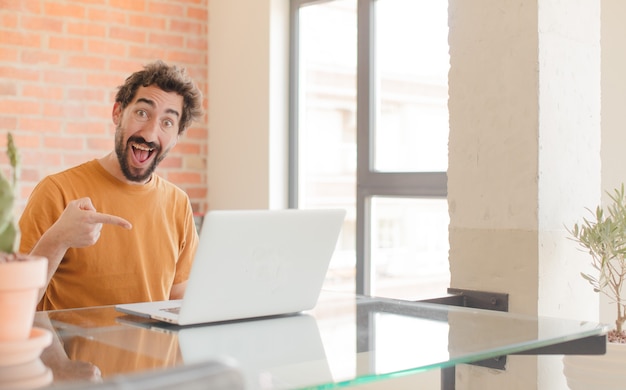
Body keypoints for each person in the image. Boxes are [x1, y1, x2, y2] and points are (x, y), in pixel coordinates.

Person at [19, 60, 204, 311]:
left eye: (167, 123)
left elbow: (179, 302)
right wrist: (58, 239)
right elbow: (13, 304)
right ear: (118, 113)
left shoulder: (178, 204)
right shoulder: (57, 191)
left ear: (176, 135)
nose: (150, 134)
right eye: (142, 113)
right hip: (70, 352)